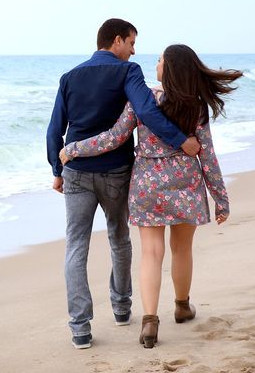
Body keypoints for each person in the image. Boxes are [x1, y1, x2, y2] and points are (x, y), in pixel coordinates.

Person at [59, 44, 242, 348]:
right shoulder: (195, 107)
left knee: (151, 254)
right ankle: (182, 307)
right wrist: (220, 199)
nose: (155, 64)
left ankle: (149, 323)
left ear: (169, 69)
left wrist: (73, 149)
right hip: (185, 183)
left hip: (147, 185)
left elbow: (113, 137)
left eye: (159, 61)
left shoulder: (143, 100)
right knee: (182, 250)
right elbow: (208, 156)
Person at [46, 19, 201, 349]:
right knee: (119, 239)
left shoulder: (69, 77)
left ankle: (80, 329)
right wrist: (180, 140)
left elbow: (54, 128)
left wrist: (56, 169)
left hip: (75, 171)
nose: (133, 51)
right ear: (116, 41)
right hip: (116, 170)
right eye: (131, 43)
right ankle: (121, 309)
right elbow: (145, 110)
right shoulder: (127, 72)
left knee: (76, 245)